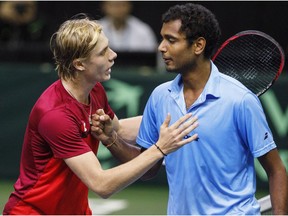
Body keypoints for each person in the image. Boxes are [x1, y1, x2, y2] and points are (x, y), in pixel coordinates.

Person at [92, 3, 288, 215]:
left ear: (198, 45)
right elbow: (148, 168)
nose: (161, 47)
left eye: (171, 40)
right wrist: (111, 139)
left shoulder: (240, 100)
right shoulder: (160, 97)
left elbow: (276, 170)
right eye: (162, 38)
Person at [2, 14, 200, 215]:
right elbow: (101, 184)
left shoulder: (94, 90)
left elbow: (119, 129)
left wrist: (183, 118)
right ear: (79, 64)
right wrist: (159, 149)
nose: (113, 55)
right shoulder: (56, 115)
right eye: (103, 52)